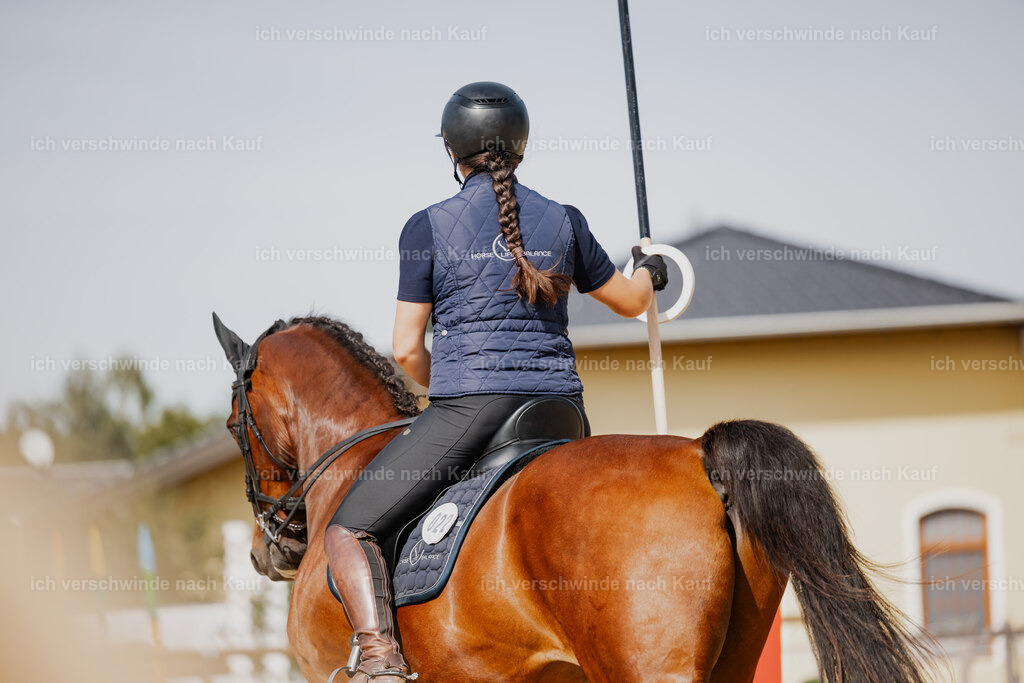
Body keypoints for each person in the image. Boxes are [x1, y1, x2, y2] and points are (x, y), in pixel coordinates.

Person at [324, 81, 668, 682]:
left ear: (451, 150)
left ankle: (379, 659)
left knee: (348, 529)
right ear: (522, 145)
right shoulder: (565, 220)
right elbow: (632, 301)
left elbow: (406, 348)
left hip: (471, 410)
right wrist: (648, 269)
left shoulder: (427, 226)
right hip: (561, 412)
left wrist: (442, 389)